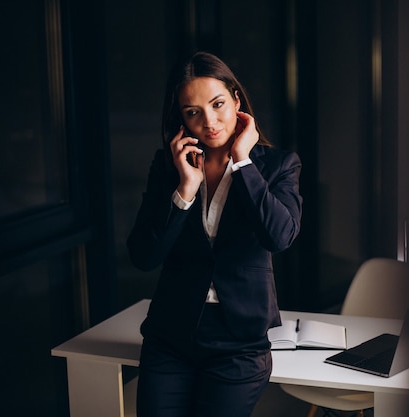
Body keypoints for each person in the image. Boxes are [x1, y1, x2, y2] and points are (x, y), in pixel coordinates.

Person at [127, 51, 303, 417]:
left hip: (239, 344)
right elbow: (144, 256)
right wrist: (185, 191)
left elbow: (280, 236)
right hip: (170, 338)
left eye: (218, 104)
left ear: (237, 101)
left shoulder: (279, 165)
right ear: (181, 119)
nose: (208, 121)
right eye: (193, 112)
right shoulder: (168, 167)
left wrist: (243, 161)